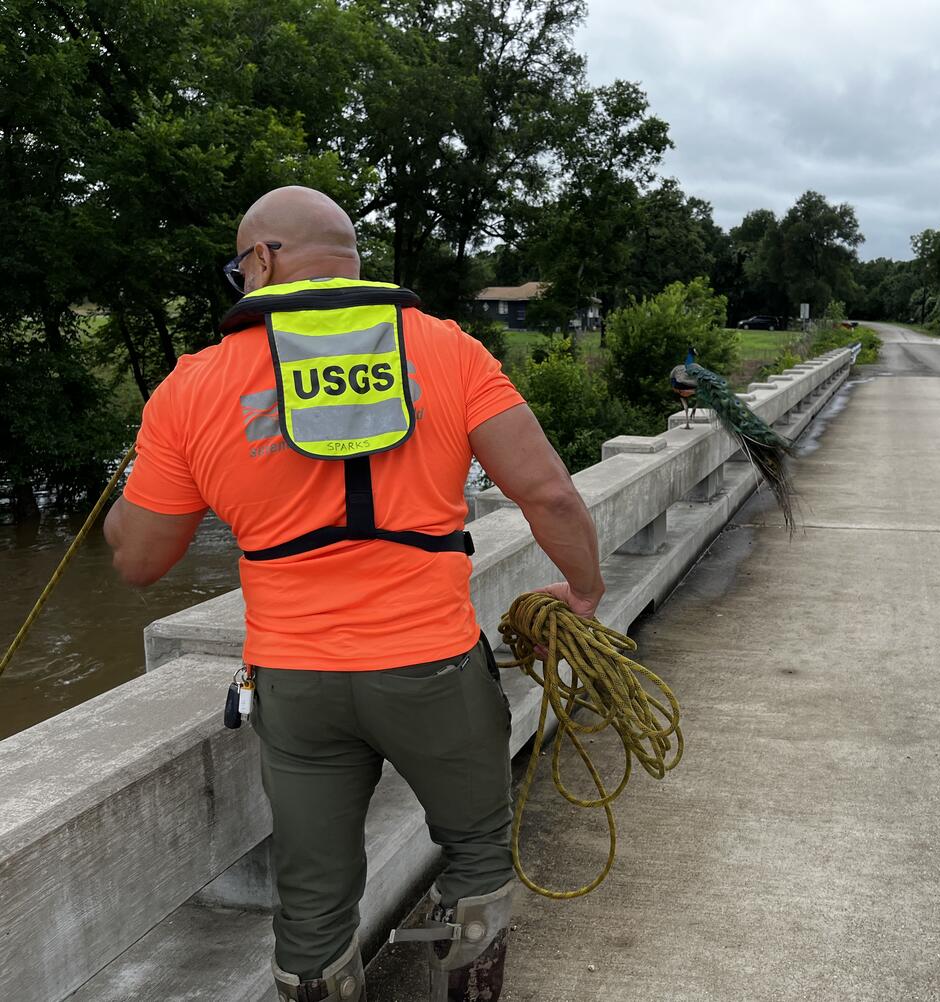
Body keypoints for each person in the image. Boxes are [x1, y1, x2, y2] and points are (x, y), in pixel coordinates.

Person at [104, 186, 605, 1002]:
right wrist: (582, 590)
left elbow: (139, 562)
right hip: (435, 669)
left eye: (242, 266)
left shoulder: (193, 384)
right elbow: (548, 496)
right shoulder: (445, 349)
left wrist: (134, 489)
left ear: (262, 259)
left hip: (297, 687)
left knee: (312, 907)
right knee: (477, 852)